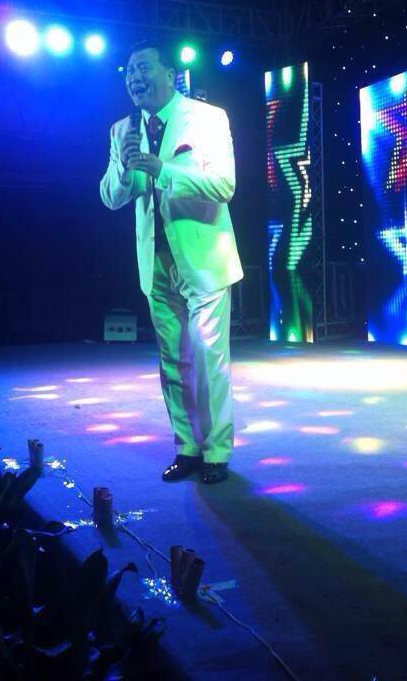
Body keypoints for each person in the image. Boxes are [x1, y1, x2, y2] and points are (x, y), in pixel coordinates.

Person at [100, 41, 243, 484]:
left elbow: (223, 185)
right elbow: (111, 197)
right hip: (156, 261)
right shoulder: (122, 130)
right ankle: (187, 448)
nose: (134, 78)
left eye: (143, 68)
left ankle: (216, 451)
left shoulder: (207, 117)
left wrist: (162, 169)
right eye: (129, 72)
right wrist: (125, 168)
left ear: (169, 74)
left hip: (203, 258)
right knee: (172, 361)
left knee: (208, 357)